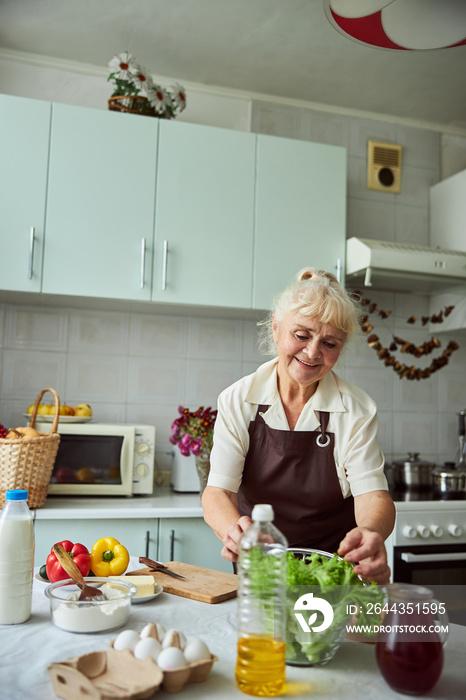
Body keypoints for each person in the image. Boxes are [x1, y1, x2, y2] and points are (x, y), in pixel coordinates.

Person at [202, 268, 396, 585]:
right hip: (261, 568)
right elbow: (217, 493)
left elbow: (373, 496)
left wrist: (371, 533)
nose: (312, 352)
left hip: (335, 571)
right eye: (302, 335)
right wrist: (234, 532)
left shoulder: (355, 409)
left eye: (329, 343)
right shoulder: (240, 399)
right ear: (277, 328)